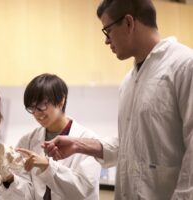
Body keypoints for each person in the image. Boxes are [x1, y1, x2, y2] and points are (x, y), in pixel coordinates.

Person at [43, 0, 193, 199]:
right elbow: (130, 145)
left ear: (129, 23)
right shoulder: (128, 82)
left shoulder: (184, 66)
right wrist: (79, 145)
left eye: (108, 30)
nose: (106, 41)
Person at [0, 73, 101, 200]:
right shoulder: (28, 141)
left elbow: (83, 190)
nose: (37, 113)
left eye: (42, 105)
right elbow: (27, 196)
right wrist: (10, 179)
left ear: (61, 101)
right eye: (32, 108)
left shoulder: (88, 140)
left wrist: (47, 165)